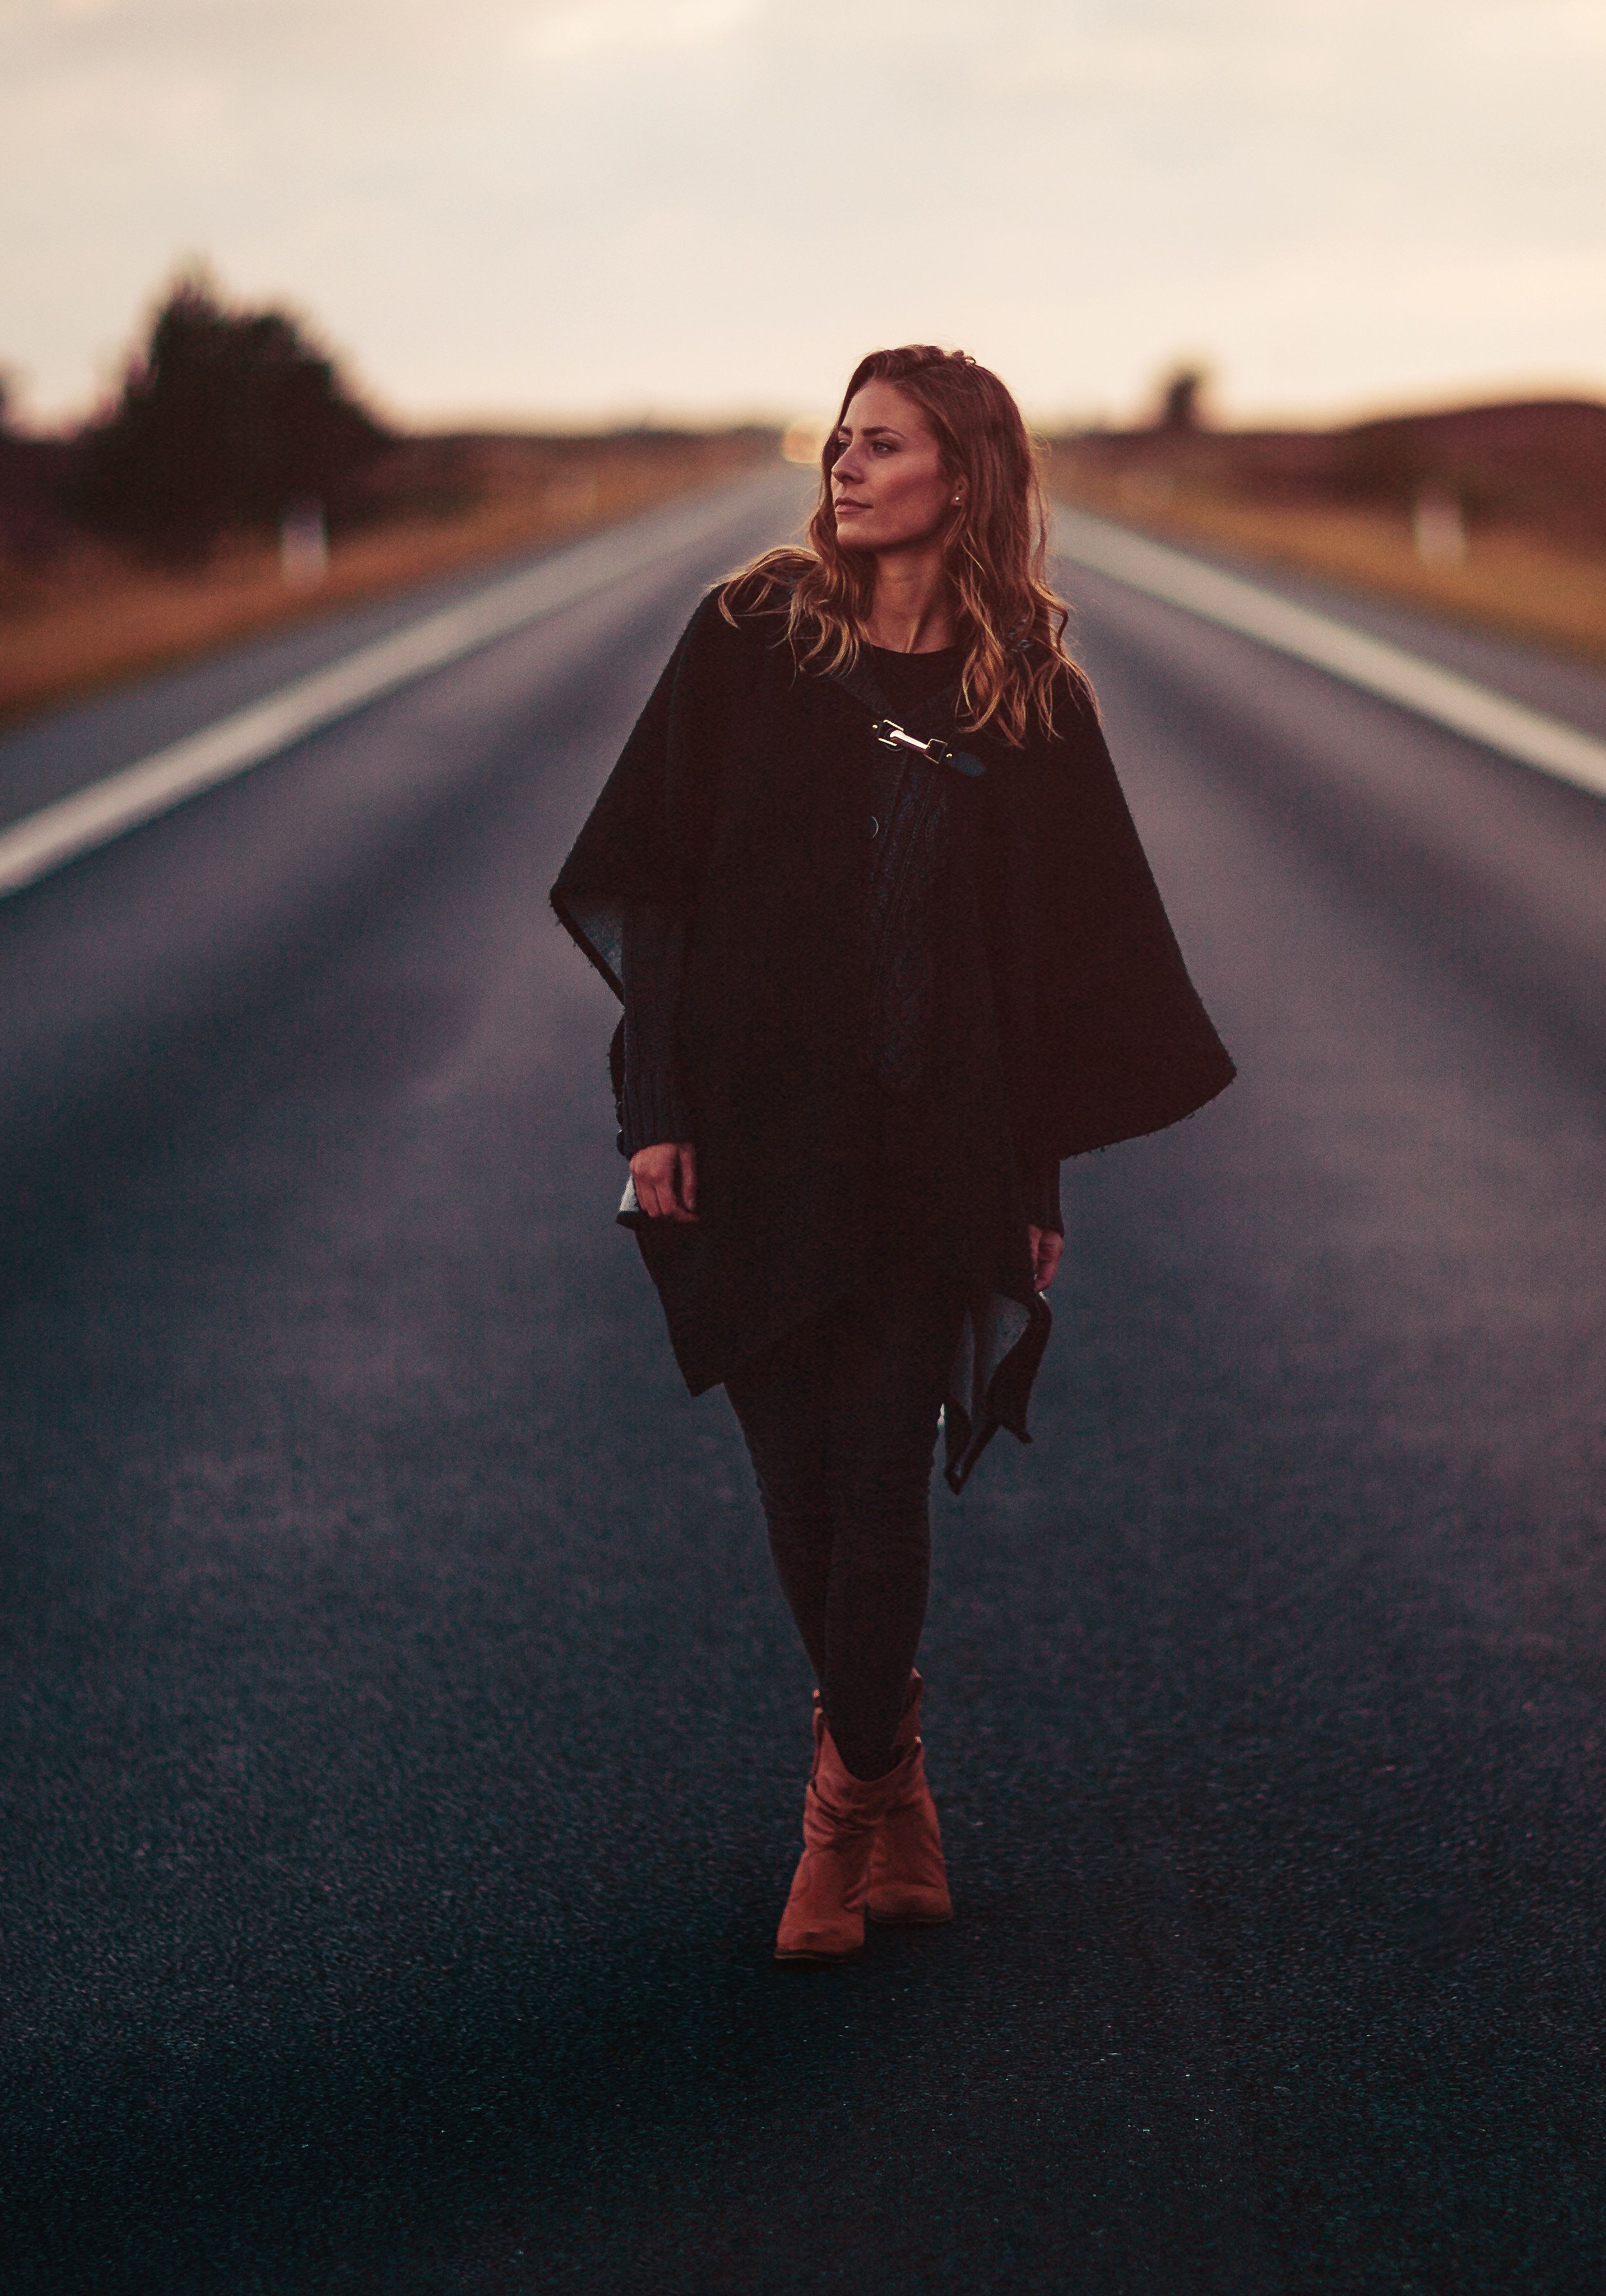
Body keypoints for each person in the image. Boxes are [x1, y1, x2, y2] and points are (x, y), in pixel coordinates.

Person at [551, 346, 1233, 1963]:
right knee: (798, 1482)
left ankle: (834, 1826)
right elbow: (652, 886)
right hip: (754, 1126)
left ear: (965, 476)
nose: (846, 468)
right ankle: (896, 1777)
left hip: (935, 1149)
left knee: (881, 1474)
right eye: (842, 441)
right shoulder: (750, 639)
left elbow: (1058, 971)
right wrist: (656, 1112)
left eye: (885, 445)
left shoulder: (1028, 695)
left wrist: (1036, 1181)